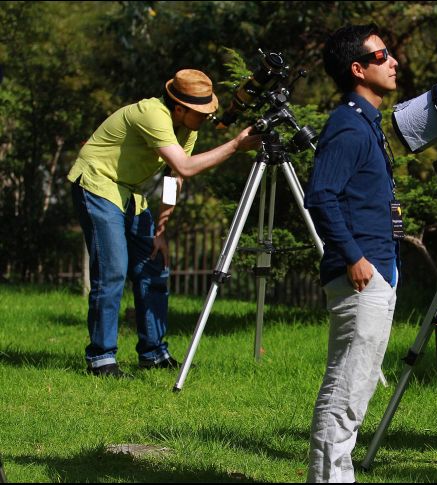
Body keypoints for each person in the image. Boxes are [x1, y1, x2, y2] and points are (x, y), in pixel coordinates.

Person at [68, 69, 262, 378]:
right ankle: (101, 358)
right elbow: (185, 166)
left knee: (155, 265)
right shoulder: (152, 114)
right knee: (113, 270)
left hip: (129, 192)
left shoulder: (187, 128)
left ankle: (153, 353)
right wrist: (235, 145)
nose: (207, 117)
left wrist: (161, 229)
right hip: (97, 183)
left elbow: (174, 178)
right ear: (179, 108)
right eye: (200, 112)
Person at [303, 23, 401, 483]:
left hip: (376, 272)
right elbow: (321, 195)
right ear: (358, 69)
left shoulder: (364, 121)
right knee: (345, 392)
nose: (394, 61)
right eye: (382, 56)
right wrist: (353, 255)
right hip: (362, 274)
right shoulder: (347, 125)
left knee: (355, 392)